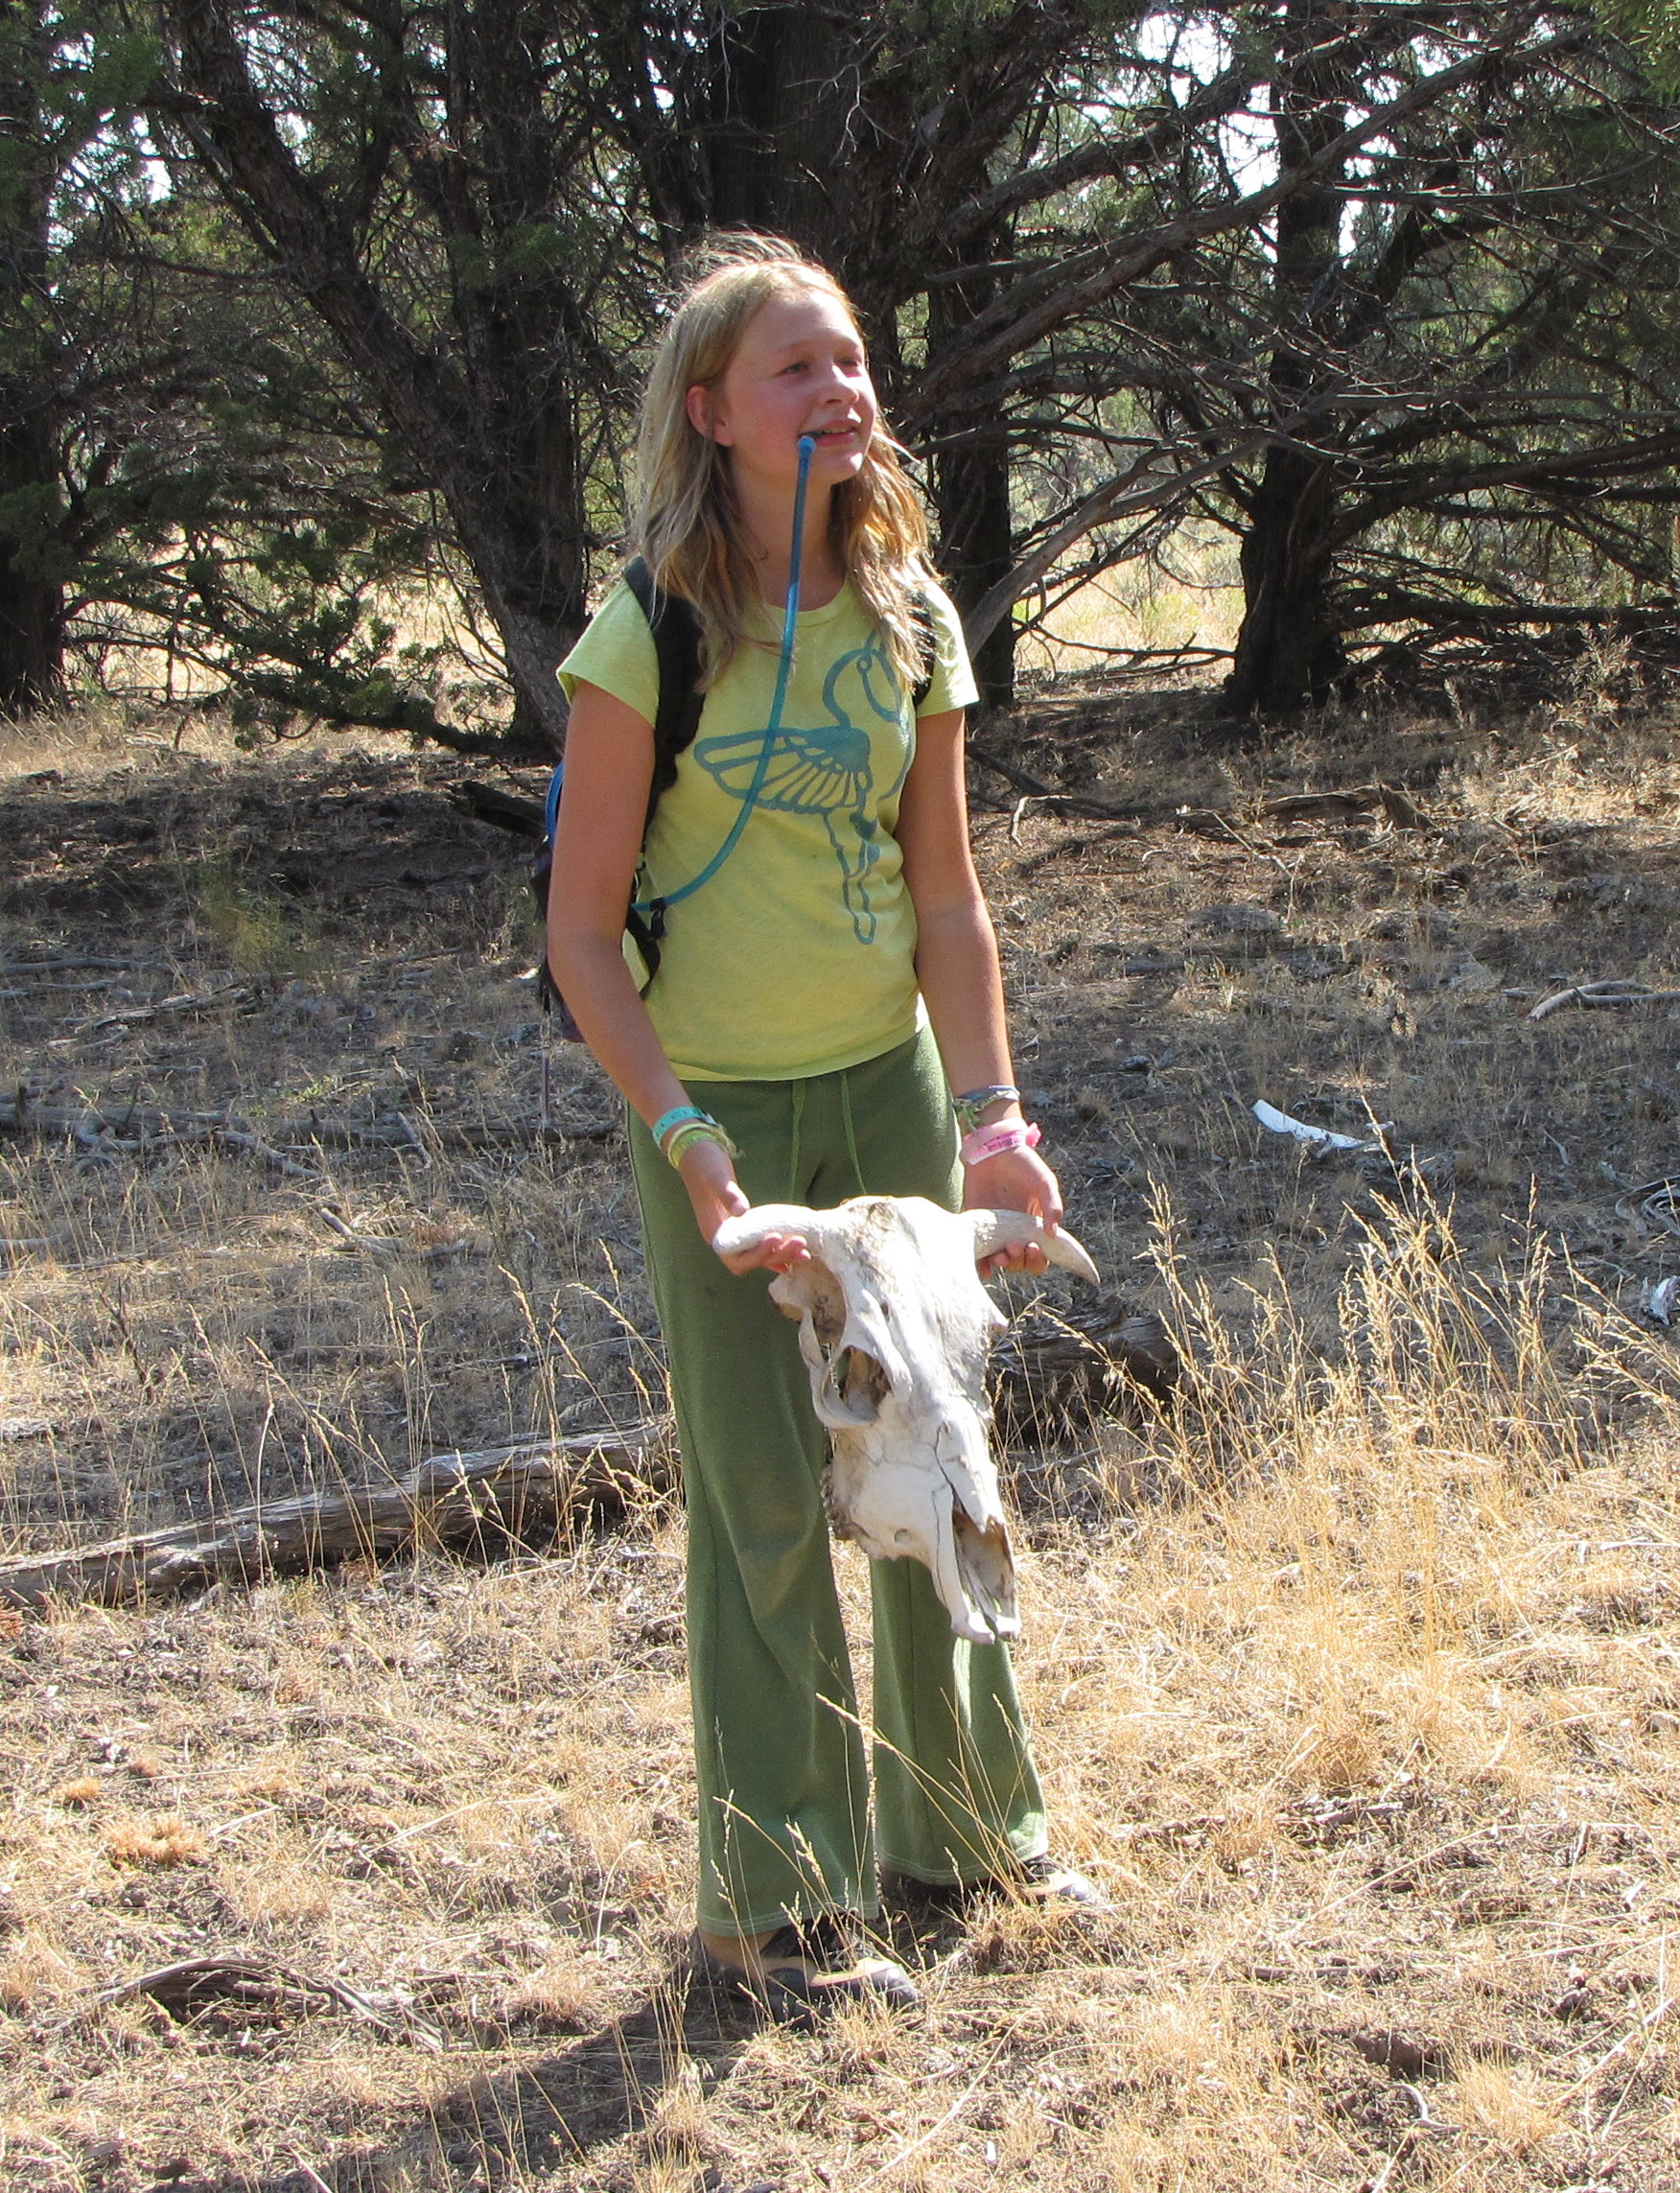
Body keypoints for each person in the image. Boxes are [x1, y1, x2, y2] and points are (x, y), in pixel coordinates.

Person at [548, 233, 1091, 2022]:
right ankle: (774, 1907)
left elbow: (948, 899)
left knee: (934, 1449)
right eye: (794, 368)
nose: (837, 393)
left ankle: (967, 1840)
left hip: (887, 1089)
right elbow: (577, 932)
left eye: (851, 362)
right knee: (769, 1497)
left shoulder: (913, 619)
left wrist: (997, 1114)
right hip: (716, 1104)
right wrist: (688, 1139)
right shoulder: (654, 629)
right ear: (709, 411)